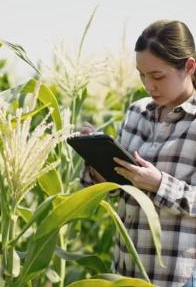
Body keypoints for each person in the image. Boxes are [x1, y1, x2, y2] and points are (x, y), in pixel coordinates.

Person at [81, 20, 196, 287]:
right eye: (141, 75)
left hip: (177, 277)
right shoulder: (136, 112)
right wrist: (97, 162)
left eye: (157, 76)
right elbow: (114, 188)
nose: (148, 86)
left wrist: (158, 184)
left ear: (189, 67)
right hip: (126, 271)